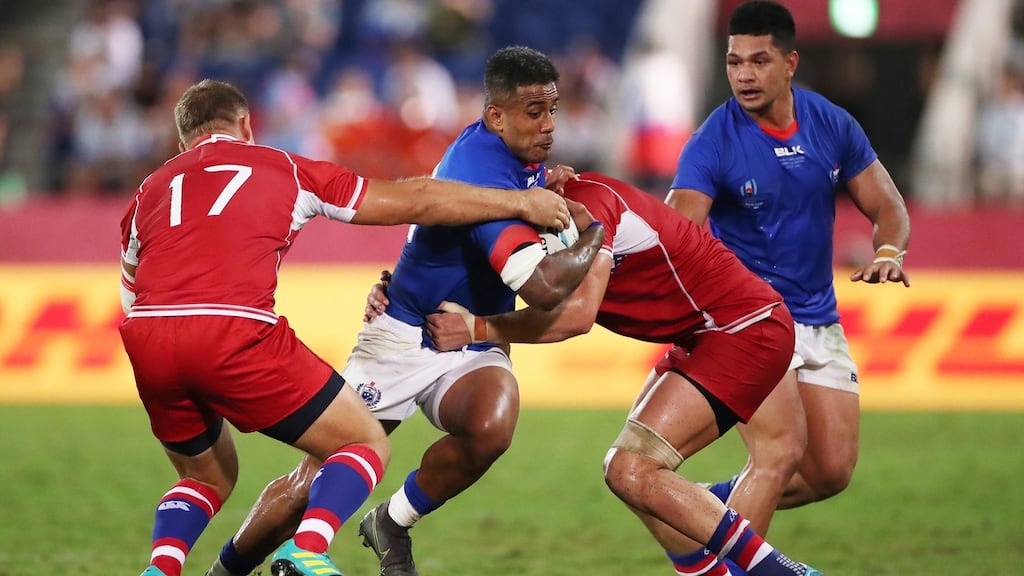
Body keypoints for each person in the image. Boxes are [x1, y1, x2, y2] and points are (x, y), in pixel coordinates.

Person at [119, 78, 573, 576]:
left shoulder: (149, 190)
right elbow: (416, 201)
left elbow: (131, 294)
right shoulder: (284, 167)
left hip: (150, 339)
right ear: (246, 124)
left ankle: (162, 568)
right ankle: (307, 550)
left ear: (182, 142)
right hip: (244, 329)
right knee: (360, 444)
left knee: (204, 476)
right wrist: (519, 204)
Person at [416, 172, 825, 576]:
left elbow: (576, 317)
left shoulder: (587, 204)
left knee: (630, 468)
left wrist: (477, 329)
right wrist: (398, 296)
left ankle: (784, 572)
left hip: (743, 328)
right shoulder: (532, 220)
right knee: (638, 484)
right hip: (704, 334)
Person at [665, 0, 911, 567]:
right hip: (750, 321)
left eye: (759, 61)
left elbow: (888, 206)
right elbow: (679, 229)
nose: (744, 75)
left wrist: (889, 251)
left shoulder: (831, 124)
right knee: (777, 455)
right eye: (734, 62)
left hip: (818, 317)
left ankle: (694, 509)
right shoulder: (713, 140)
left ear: (790, 62)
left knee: (829, 471)